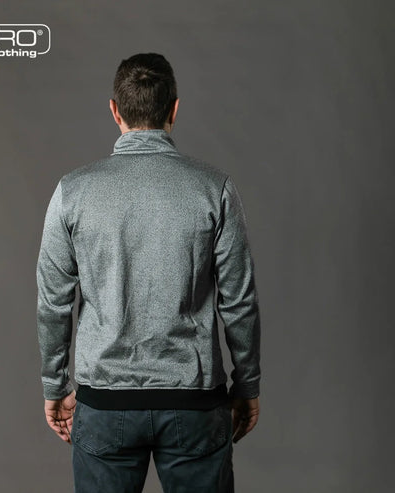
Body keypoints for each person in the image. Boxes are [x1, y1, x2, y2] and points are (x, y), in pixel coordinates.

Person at [36, 52, 261, 493]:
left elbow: (53, 301)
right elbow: (239, 301)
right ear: (174, 109)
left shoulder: (72, 192)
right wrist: (247, 383)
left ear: (114, 111)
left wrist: (54, 384)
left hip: (104, 403)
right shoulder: (213, 188)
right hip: (195, 402)